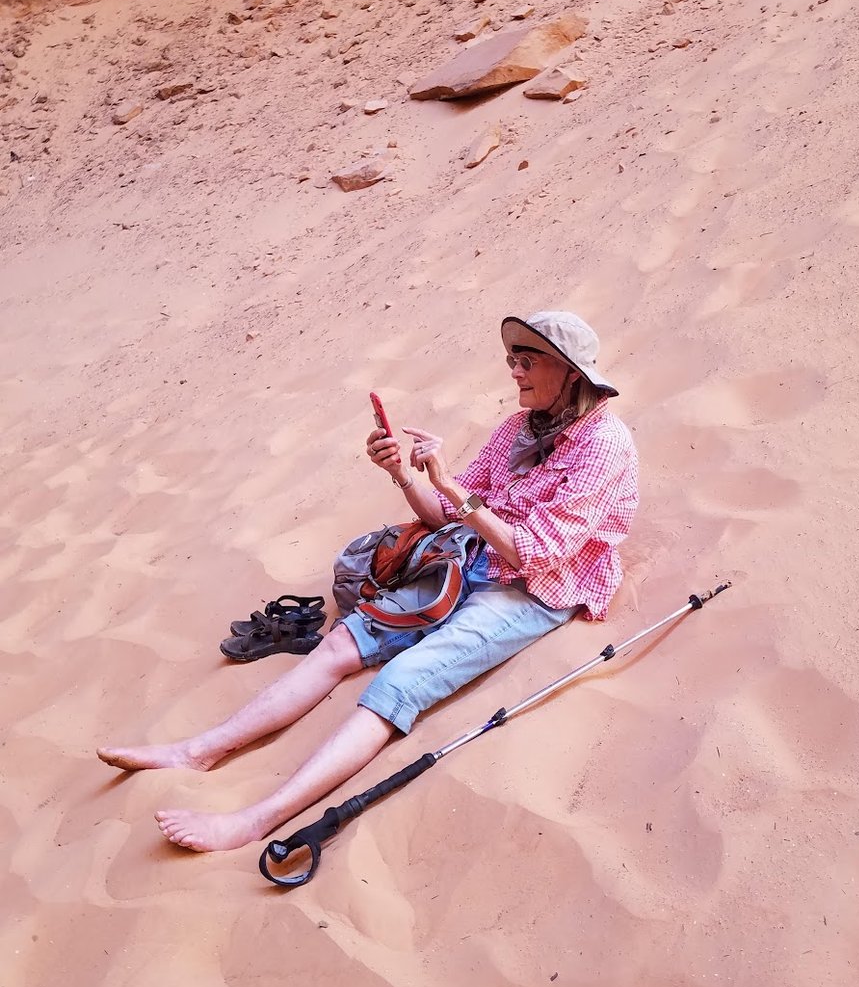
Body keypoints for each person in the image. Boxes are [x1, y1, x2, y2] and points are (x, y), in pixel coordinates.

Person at [97, 311, 640, 851]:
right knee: (341, 641)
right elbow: (442, 516)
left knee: (399, 682)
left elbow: (536, 553)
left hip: (536, 588)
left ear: (570, 372)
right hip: (472, 557)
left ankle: (256, 820)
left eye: (527, 361)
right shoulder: (518, 429)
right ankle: (198, 751)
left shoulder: (602, 445)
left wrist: (454, 489)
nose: (515, 372)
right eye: (511, 360)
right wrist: (404, 475)